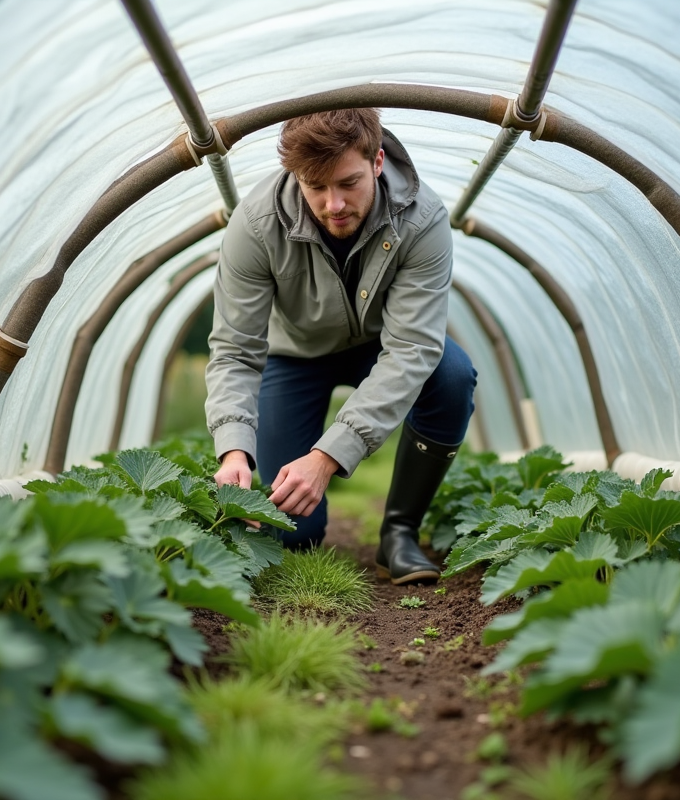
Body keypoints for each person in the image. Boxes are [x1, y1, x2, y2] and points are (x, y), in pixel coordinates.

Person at [204, 108, 476, 585]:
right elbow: (236, 350)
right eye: (315, 187)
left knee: (451, 375)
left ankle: (399, 533)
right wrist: (233, 452)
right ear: (295, 176)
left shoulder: (422, 219)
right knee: (291, 533)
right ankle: (299, 524)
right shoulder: (255, 223)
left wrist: (326, 458)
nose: (333, 205)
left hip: (382, 345)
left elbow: (411, 348)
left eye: (348, 183)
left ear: (376, 161)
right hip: (294, 356)